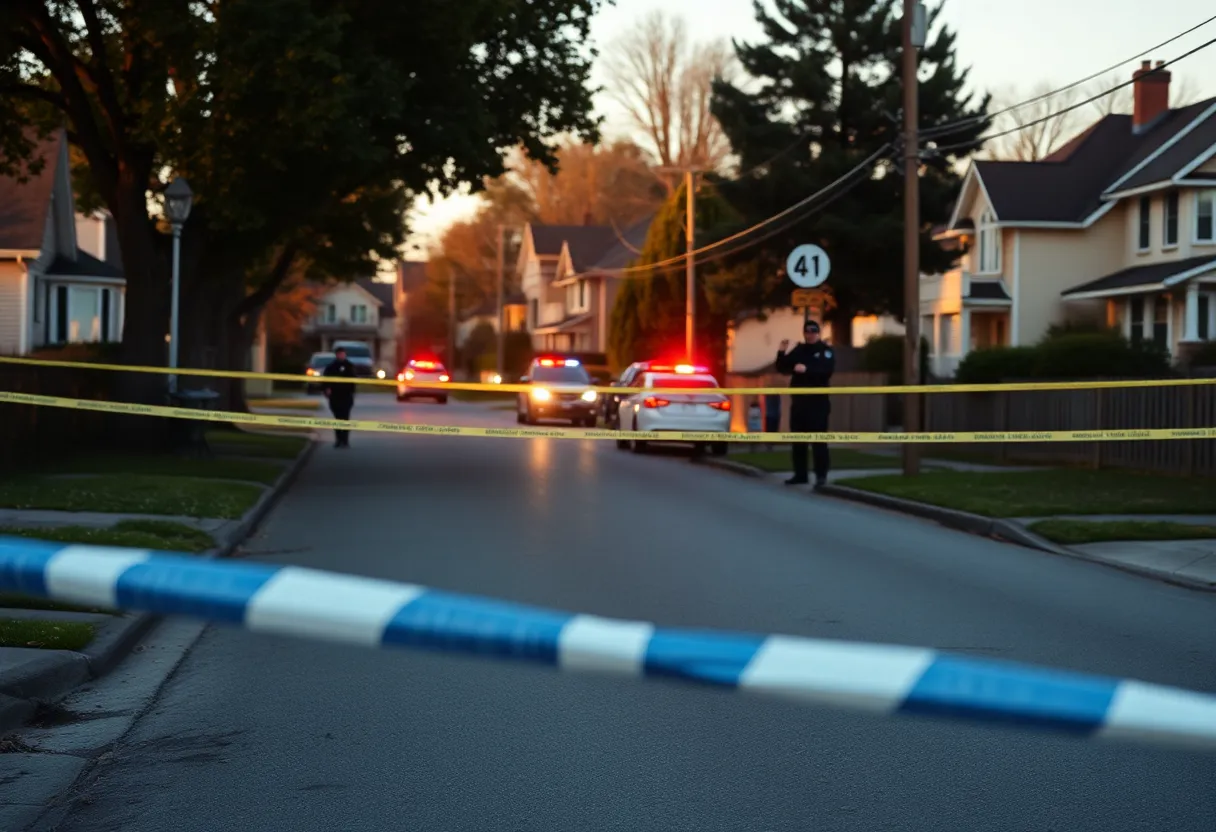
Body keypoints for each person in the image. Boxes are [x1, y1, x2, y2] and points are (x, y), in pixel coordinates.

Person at [776, 320, 836, 487]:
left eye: (813, 332)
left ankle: (821, 476)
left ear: (818, 333)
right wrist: (781, 352)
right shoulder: (800, 350)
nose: (810, 335)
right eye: (807, 332)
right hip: (800, 403)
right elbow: (782, 367)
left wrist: (807, 370)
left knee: (818, 441)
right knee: (798, 440)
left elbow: (826, 372)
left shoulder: (825, 351)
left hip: (818, 404)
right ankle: (800, 474)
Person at [322, 346, 358, 448]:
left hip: (346, 396)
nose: (341, 355)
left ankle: (345, 440)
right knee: (337, 418)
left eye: (342, 354)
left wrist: (352, 392)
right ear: (336, 355)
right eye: (339, 354)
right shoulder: (331, 367)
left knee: (345, 418)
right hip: (335, 397)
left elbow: (354, 381)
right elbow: (325, 381)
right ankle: (338, 440)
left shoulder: (350, 366)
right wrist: (327, 389)